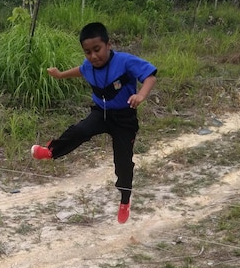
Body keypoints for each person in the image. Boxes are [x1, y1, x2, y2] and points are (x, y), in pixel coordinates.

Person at [31, 22, 157, 223]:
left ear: (108, 44)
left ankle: (125, 200)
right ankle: (51, 151)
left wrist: (141, 95)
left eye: (97, 50)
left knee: (123, 164)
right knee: (80, 130)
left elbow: (150, 76)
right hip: (101, 113)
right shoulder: (88, 65)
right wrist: (60, 75)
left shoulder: (125, 62)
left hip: (124, 118)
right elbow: (81, 70)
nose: (93, 56)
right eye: (88, 52)